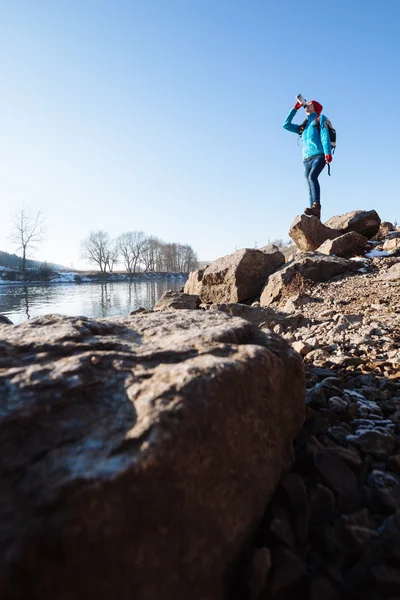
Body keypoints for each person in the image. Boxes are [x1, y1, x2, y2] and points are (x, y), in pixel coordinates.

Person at [283, 99, 332, 219]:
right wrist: (295, 108)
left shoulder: (320, 119)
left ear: (315, 107)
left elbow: (325, 135)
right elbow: (286, 125)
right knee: (309, 183)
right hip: (306, 160)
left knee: (312, 177)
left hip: (319, 155)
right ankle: (314, 214)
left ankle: (316, 205)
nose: (306, 105)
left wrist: (327, 152)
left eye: (309, 104)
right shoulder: (304, 126)